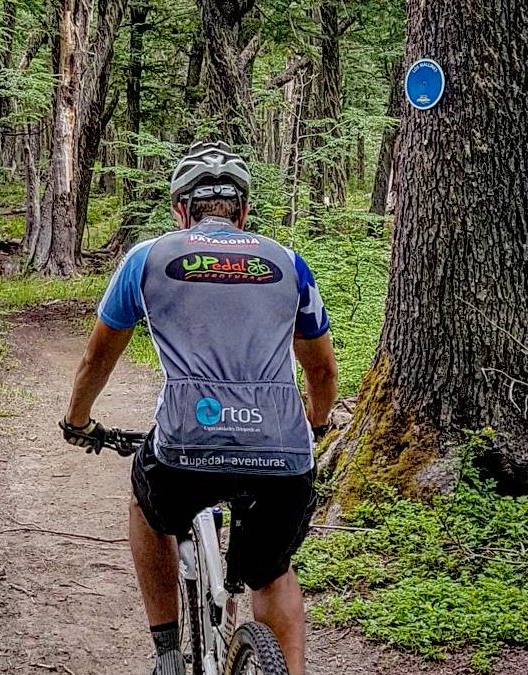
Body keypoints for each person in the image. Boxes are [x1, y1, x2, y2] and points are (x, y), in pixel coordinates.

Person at [59, 140, 338, 675]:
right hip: (281, 450)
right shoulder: (288, 263)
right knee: (272, 573)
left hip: (187, 445)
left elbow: (97, 359)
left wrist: (78, 421)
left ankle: (166, 652)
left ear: (180, 210)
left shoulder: (147, 259)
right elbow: (321, 371)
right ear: (245, 210)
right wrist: (317, 426)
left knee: (147, 506)